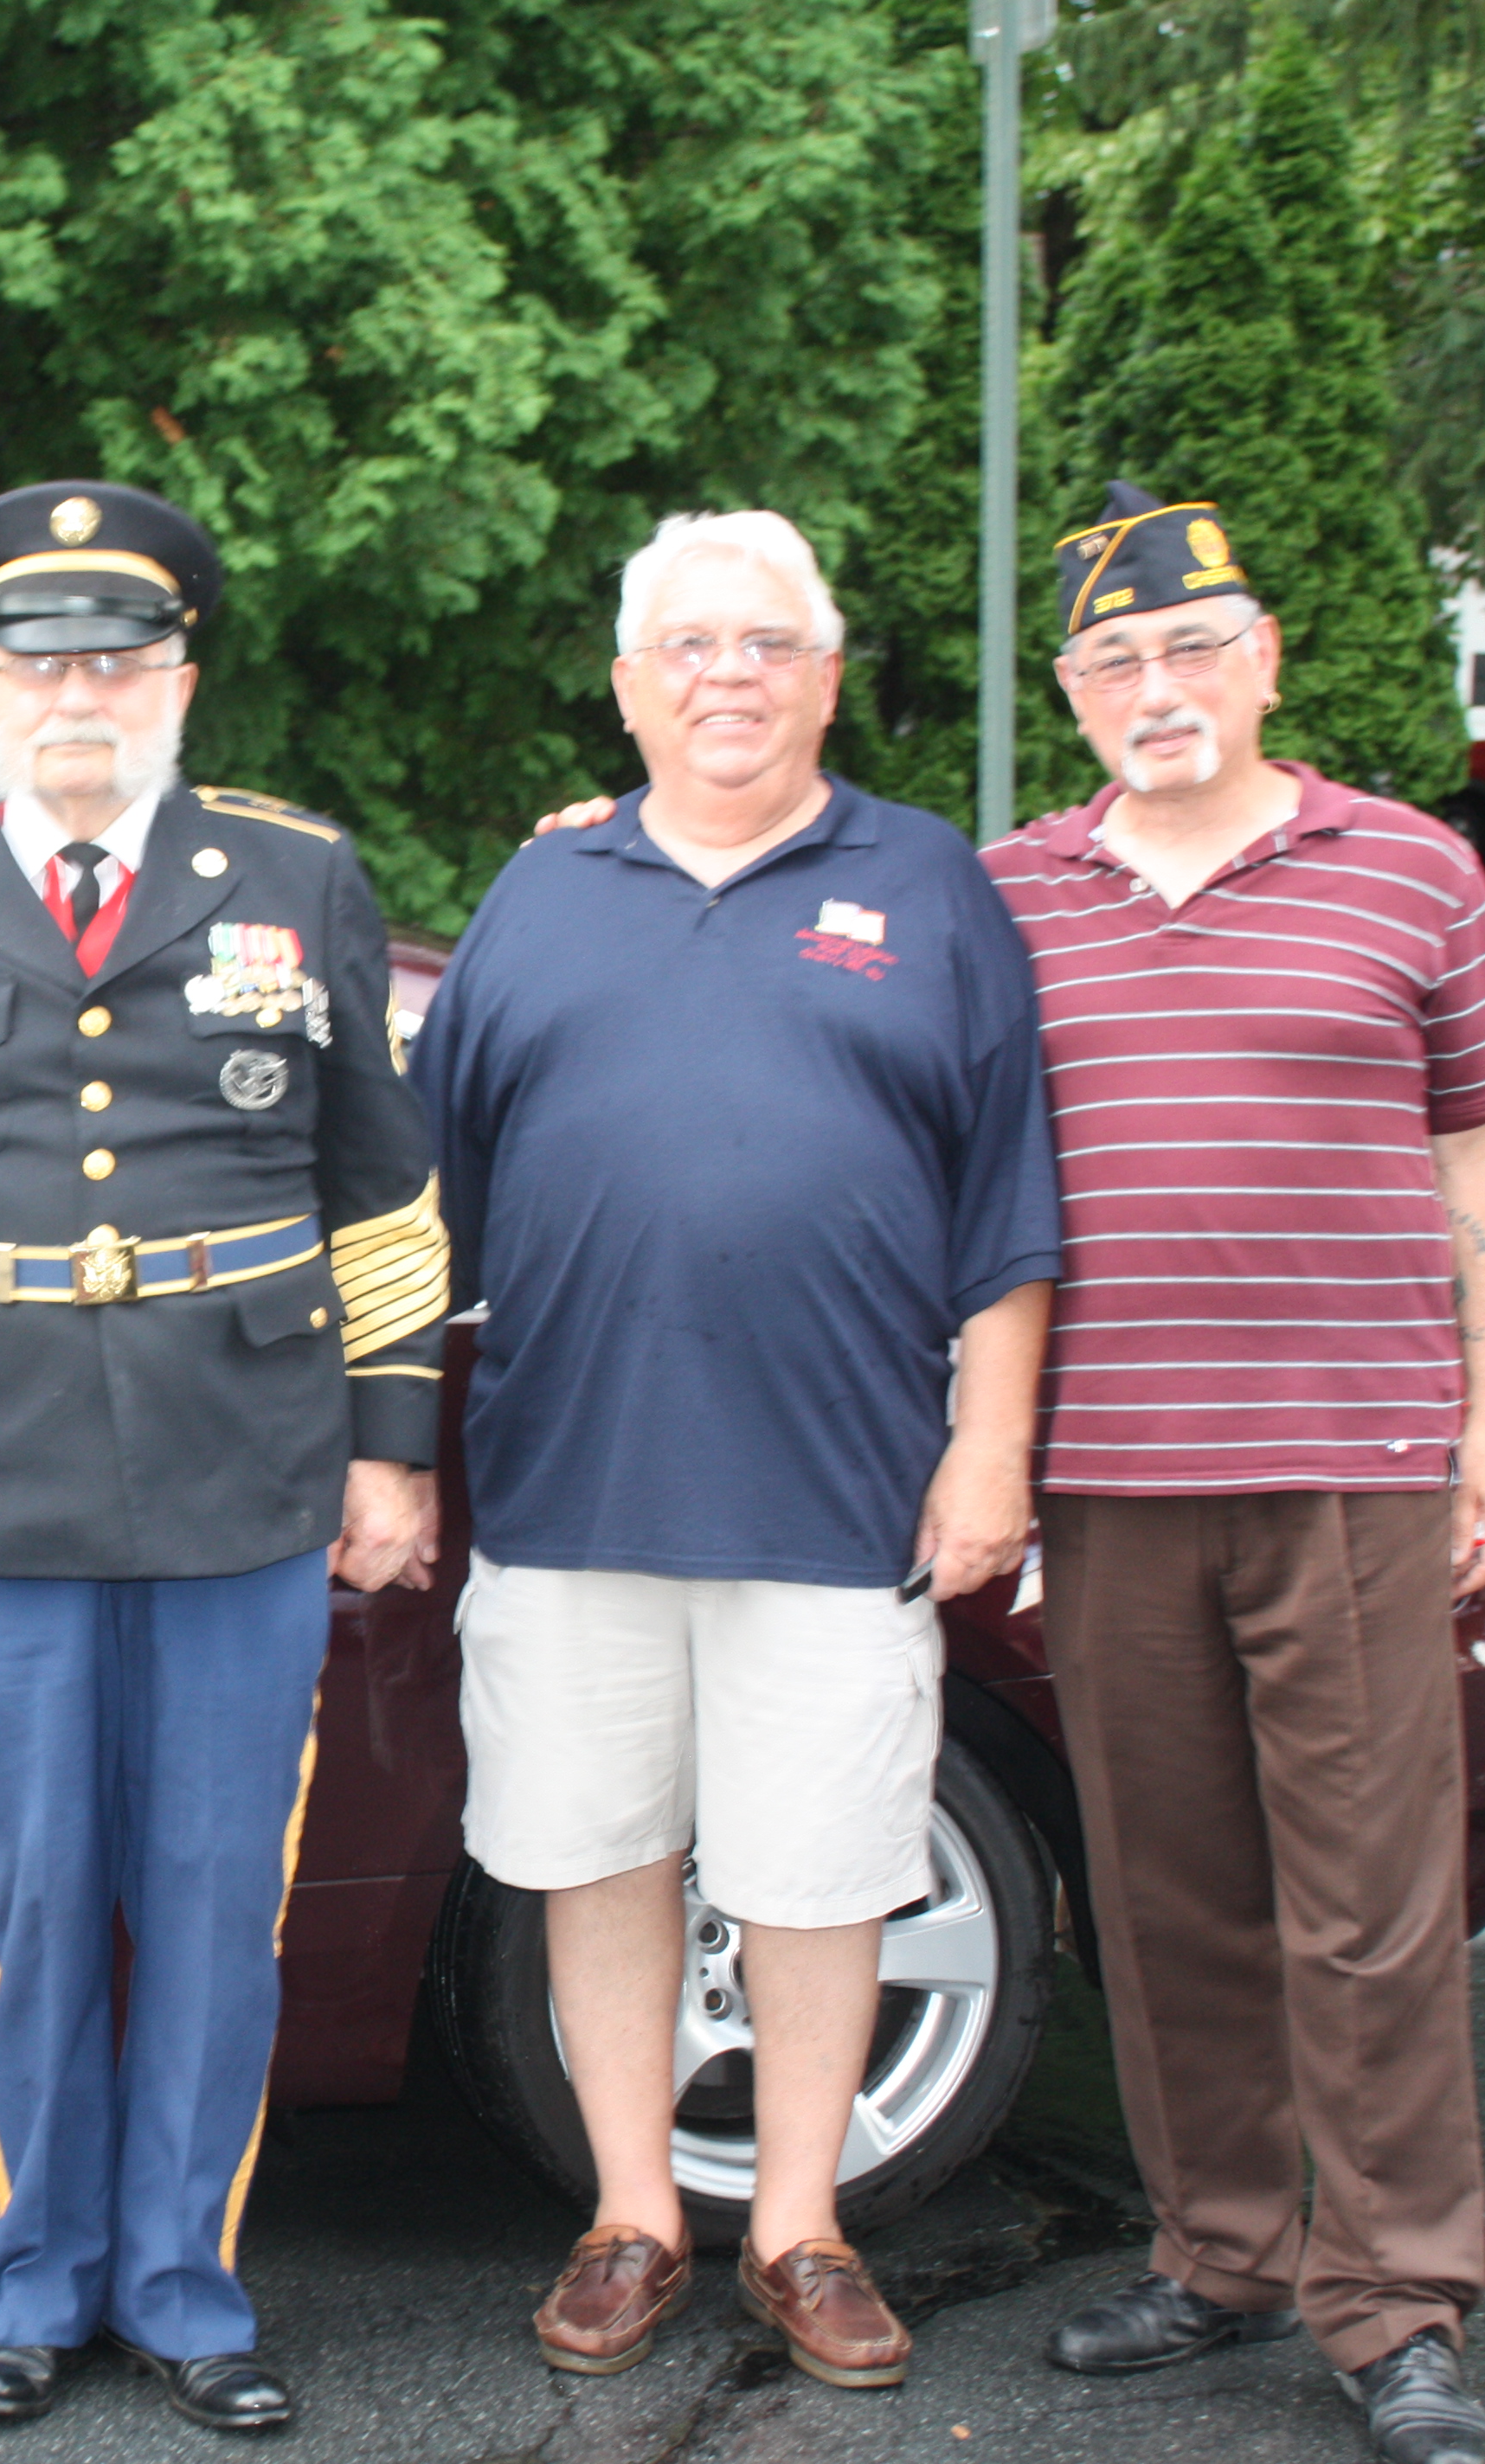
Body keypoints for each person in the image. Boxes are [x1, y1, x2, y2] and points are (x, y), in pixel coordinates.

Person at [0, 479, 448, 2434]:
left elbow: (383, 1204)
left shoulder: (299, 878)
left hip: (248, 1459)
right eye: (39, 660)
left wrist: (391, 1450)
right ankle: (33, 2280)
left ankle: (185, 2283)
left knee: (221, 1892)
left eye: (117, 660)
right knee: (35, 1902)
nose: (79, 694)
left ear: (179, 680)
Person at [412, 510, 1060, 2391]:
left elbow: (1009, 1200)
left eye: (768, 644)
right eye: (688, 645)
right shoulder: (542, 894)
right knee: (596, 1851)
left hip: (841, 1485)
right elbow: (423, 1199)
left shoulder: (930, 884)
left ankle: (799, 2223)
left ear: (827, 676)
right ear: (629, 685)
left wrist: (989, 1448)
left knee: (823, 1863)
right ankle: (631, 2212)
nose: (728, 676)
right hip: (570, 1483)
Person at [984, 485, 1485, 2464]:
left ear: (1266, 654)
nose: (1161, 684)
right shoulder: (1014, 887)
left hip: (1359, 1457)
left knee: (1371, 1901)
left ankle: (1395, 2303)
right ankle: (1217, 2246)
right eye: (1118, 658)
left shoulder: (1408, 872)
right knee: (1168, 1891)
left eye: (1194, 645)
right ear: (1071, 691)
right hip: (1115, 1472)